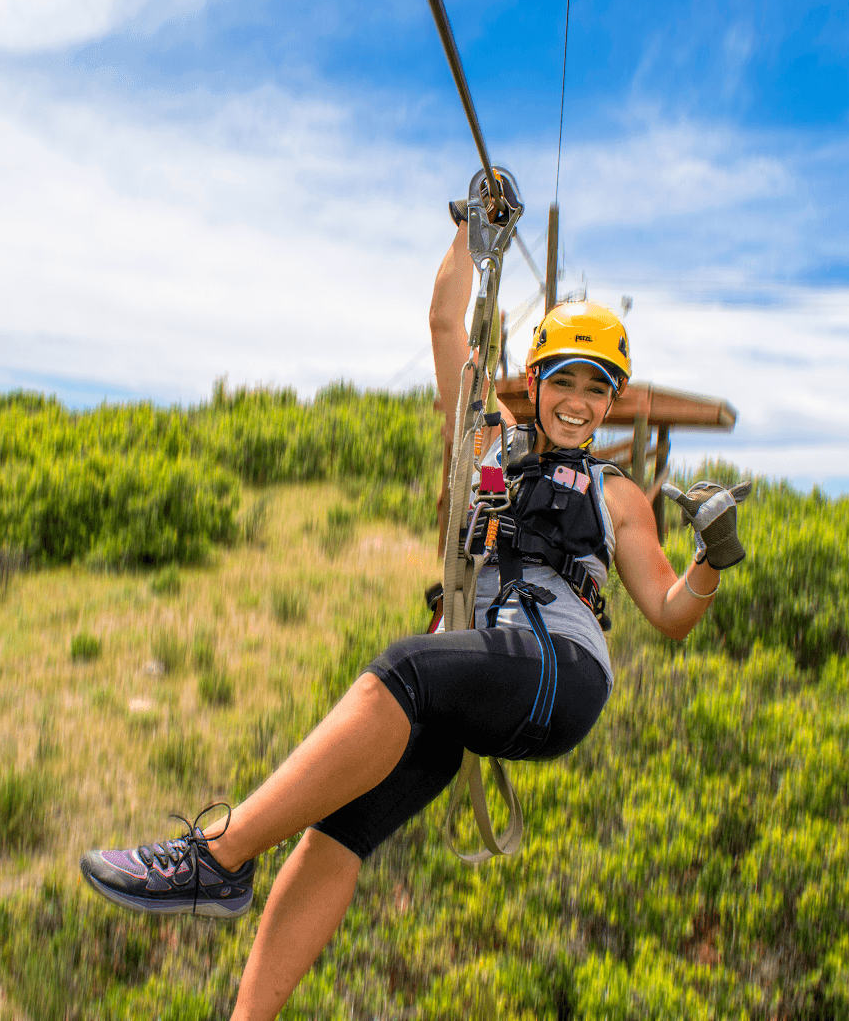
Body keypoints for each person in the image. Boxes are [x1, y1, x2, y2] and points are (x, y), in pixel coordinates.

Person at [80, 205, 751, 1020]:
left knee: (406, 667)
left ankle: (214, 858)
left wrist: (712, 558)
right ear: (534, 384)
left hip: (560, 675)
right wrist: (476, 227)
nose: (579, 400)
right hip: (483, 681)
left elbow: (671, 611)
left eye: (596, 387)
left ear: (610, 402)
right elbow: (445, 319)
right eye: (564, 379)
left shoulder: (618, 496)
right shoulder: (487, 443)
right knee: (339, 827)